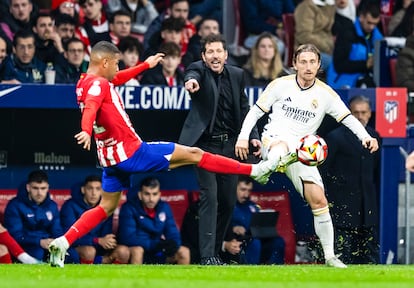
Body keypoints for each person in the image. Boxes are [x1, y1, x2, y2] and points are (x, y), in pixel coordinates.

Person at [48, 40, 273, 268]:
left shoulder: (86, 82)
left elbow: (115, 80)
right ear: (104, 62)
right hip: (132, 152)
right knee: (195, 153)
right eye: (116, 63)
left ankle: (63, 241)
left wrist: (145, 65)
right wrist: (86, 131)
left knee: (105, 207)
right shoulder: (98, 86)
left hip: (109, 158)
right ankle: (254, 169)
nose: (118, 68)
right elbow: (91, 106)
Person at [235, 43, 379, 268]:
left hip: (302, 152)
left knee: (319, 199)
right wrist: (243, 137)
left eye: (312, 62)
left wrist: (365, 137)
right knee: (280, 146)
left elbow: (348, 118)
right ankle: (265, 168)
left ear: (319, 65)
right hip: (273, 139)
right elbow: (255, 112)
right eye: (303, 62)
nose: (308, 66)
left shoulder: (325, 94)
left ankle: (330, 256)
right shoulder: (279, 85)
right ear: (294, 64)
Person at [178, 33, 261, 265]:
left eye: (219, 51)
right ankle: (206, 256)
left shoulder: (237, 75)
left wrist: (252, 136)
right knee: (210, 196)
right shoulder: (198, 70)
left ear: (226, 54)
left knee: (227, 201)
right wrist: (191, 82)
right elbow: (191, 73)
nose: (215, 56)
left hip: (230, 145)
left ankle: (215, 253)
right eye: (210, 52)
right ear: (204, 57)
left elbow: (245, 109)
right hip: (204, 147)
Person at [319, 95, 381, 264]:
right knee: (343, 257)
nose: (360, 116)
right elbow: (324, 170)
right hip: (342, 209)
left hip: (367, 209)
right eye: (356, 113)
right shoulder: (335, 137)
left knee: (370, 258)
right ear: (349, 114)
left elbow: (375, 170)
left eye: (364, 112)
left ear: (370, 114)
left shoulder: (375, 137)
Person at [115, 177, 190, 264]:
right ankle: (136, 277)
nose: (151, 199)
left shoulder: (164, 207)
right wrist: (156, 245)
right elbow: (127, 238)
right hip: (138, 249)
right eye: (147, 194)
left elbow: (173, 233)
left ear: (159, 195)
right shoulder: (129, 208)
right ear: (140, 195)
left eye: (154, 194)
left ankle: (180, 277)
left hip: (157, 250)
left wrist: (172, 245)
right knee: (137, 251)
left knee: (184, 252)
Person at [60, 175, 125, 264]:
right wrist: (97, 240)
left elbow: (106, 234)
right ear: (83, 190)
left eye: (98, 189)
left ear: (102, 191)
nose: (94, 193)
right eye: (90, 188)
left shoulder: (106, 208)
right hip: (77, 248)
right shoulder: (70, 206)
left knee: (123, 252)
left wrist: (109, 241)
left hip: (99, 248)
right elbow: (67, 236)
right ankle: (87, 274)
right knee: (89, 251)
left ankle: (112, 277)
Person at [222, 176, 285, 265]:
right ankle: (251, 268)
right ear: (234, 188)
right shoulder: (227, 205)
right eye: (243, 190)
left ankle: (276, 269)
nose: (246, 194)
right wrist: (233, 228)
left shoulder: (253, 206)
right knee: (254, 242)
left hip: (254, 236)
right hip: (236, 239)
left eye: (249, 190)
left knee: (278, 241)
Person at [4, 170, 63, 262]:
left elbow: (57, 230)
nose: (39, 193)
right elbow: (15, 235)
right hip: (25, 245)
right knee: (37, 252)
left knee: (68, 253)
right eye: (35, 188)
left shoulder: (52, 205)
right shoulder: (15, 205)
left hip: (46, 243)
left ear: (48, 188)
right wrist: (38, 241)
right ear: (28, 188)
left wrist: (58, 242)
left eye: (43, 188)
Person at [327, 1, 383, 89]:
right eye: (369, 23)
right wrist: (365, 65)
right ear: (361, 17)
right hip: (342, 81)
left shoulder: (378, 39)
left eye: (375, 24)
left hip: (363, 79)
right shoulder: (347, 33)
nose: (372, 27)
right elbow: (340, 65)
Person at [294, 0, 336, 71]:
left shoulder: (329, 6)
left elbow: (327, 31)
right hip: (306, 49)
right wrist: (327, 48)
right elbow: (304, 35)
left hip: (326, 47)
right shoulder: (306, 7)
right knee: (333, 63)